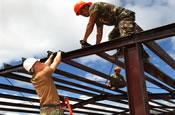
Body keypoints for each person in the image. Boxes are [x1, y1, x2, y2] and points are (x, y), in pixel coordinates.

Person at [74, 1, 150, 60]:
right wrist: (97, 47)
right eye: (80, 14)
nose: (82, 15)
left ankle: (142, 54)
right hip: (119, 22)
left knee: (127, 37)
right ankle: (121, 52)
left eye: (81, 12)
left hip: (125, 16)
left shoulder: (94, 7)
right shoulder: (97, 18)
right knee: (112, 36)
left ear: (86, 6)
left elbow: (90, 24)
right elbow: (99, 33)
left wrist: (84, 40)